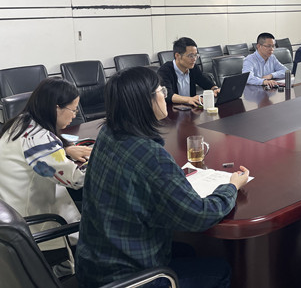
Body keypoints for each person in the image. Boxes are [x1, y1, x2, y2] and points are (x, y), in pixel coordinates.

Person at [76, 67, 249, 288]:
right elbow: (201, 215)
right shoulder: (150, 155)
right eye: (161, 91)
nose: (164, 96)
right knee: (220, 270)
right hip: (126, 278)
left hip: (94, 264)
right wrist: (231, 186)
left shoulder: (108, 132)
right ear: (145, 102)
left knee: (188, 251)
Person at [0, 78, 90, 270]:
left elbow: (35, 156)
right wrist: (103, 160)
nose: (75, 115)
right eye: (73, 109)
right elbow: (76, 179)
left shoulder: (21, 123)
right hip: (36, 226)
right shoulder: (39, 139)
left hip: (11, 214)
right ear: (56, 108)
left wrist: (65, 150)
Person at [157, 37, 219, 107]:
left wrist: (214, 89)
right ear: (177, 56)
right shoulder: (165, 71)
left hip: (190, 108)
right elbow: (167, 95)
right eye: (190, 56)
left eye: (196, 55)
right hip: (173, 110)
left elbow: (204, 81)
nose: (194, 59)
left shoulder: (193, 68)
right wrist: (188, 99)